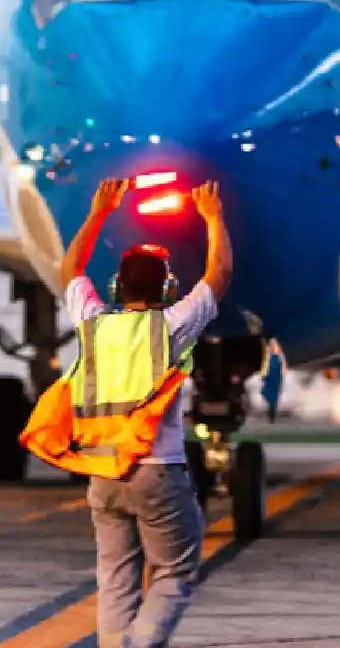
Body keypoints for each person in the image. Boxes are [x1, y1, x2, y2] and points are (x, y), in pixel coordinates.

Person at [58, 178, 233, 648]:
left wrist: (98, 212)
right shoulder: (171, 327)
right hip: (157, 471)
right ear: (167, 287)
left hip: (103, 473)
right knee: (176, 570)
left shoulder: (93, 324)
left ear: (117, 286)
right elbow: (218, 277)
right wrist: (213, 218)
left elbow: (69, 268)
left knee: (114, 579)